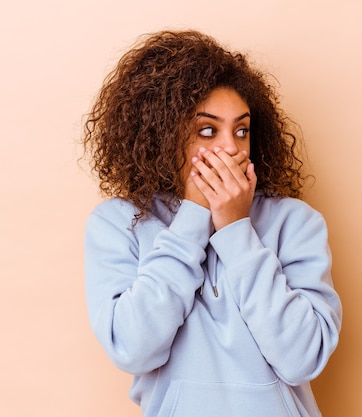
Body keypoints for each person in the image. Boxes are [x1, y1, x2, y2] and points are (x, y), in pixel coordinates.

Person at [81, 29, 342, 417]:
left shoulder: (296, 222)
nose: (231, 148)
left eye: (241, 130)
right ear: (162, 135)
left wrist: (236, 230)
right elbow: (132, 348)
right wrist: (194, 216)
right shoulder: (118, 223)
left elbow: (303, 357)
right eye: (207, 130)